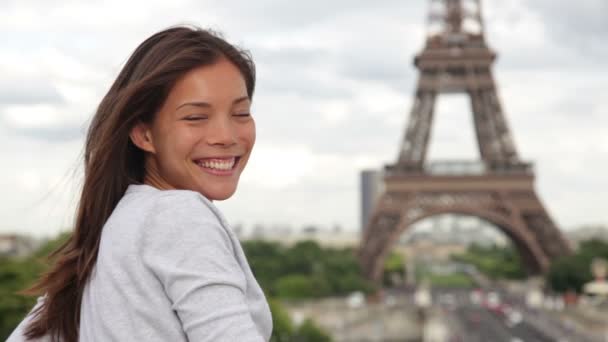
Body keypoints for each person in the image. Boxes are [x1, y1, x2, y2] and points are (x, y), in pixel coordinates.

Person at [7, 25, 273, 342]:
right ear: (144, 133)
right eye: (195, 117)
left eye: (241, 113)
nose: (226, 137)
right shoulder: (180, 215)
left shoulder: (114, 228)